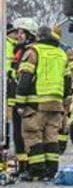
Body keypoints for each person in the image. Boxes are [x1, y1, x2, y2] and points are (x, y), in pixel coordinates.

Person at [15, 26, 70, 180]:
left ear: (38, 37)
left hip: (36, 103)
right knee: (51, 137)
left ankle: (37, 171)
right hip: (56, 103)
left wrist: (20, 102)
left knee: (33, 135)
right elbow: (67, 81)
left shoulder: (33, 52)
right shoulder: (61, 53)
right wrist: (63, 100)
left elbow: (25, 78)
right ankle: (51, 171)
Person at [6, 18, 38, 176]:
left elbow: (25, 77)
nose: (18, 35)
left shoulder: (30, 51)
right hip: (16, 98)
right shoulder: (18, 51)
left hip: (27, 100)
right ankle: (23, 165)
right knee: (17, 134)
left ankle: (30, 166)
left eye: (21, 32)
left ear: (30, 34)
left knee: (27, 134)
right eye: (17, 32)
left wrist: (20, 101)